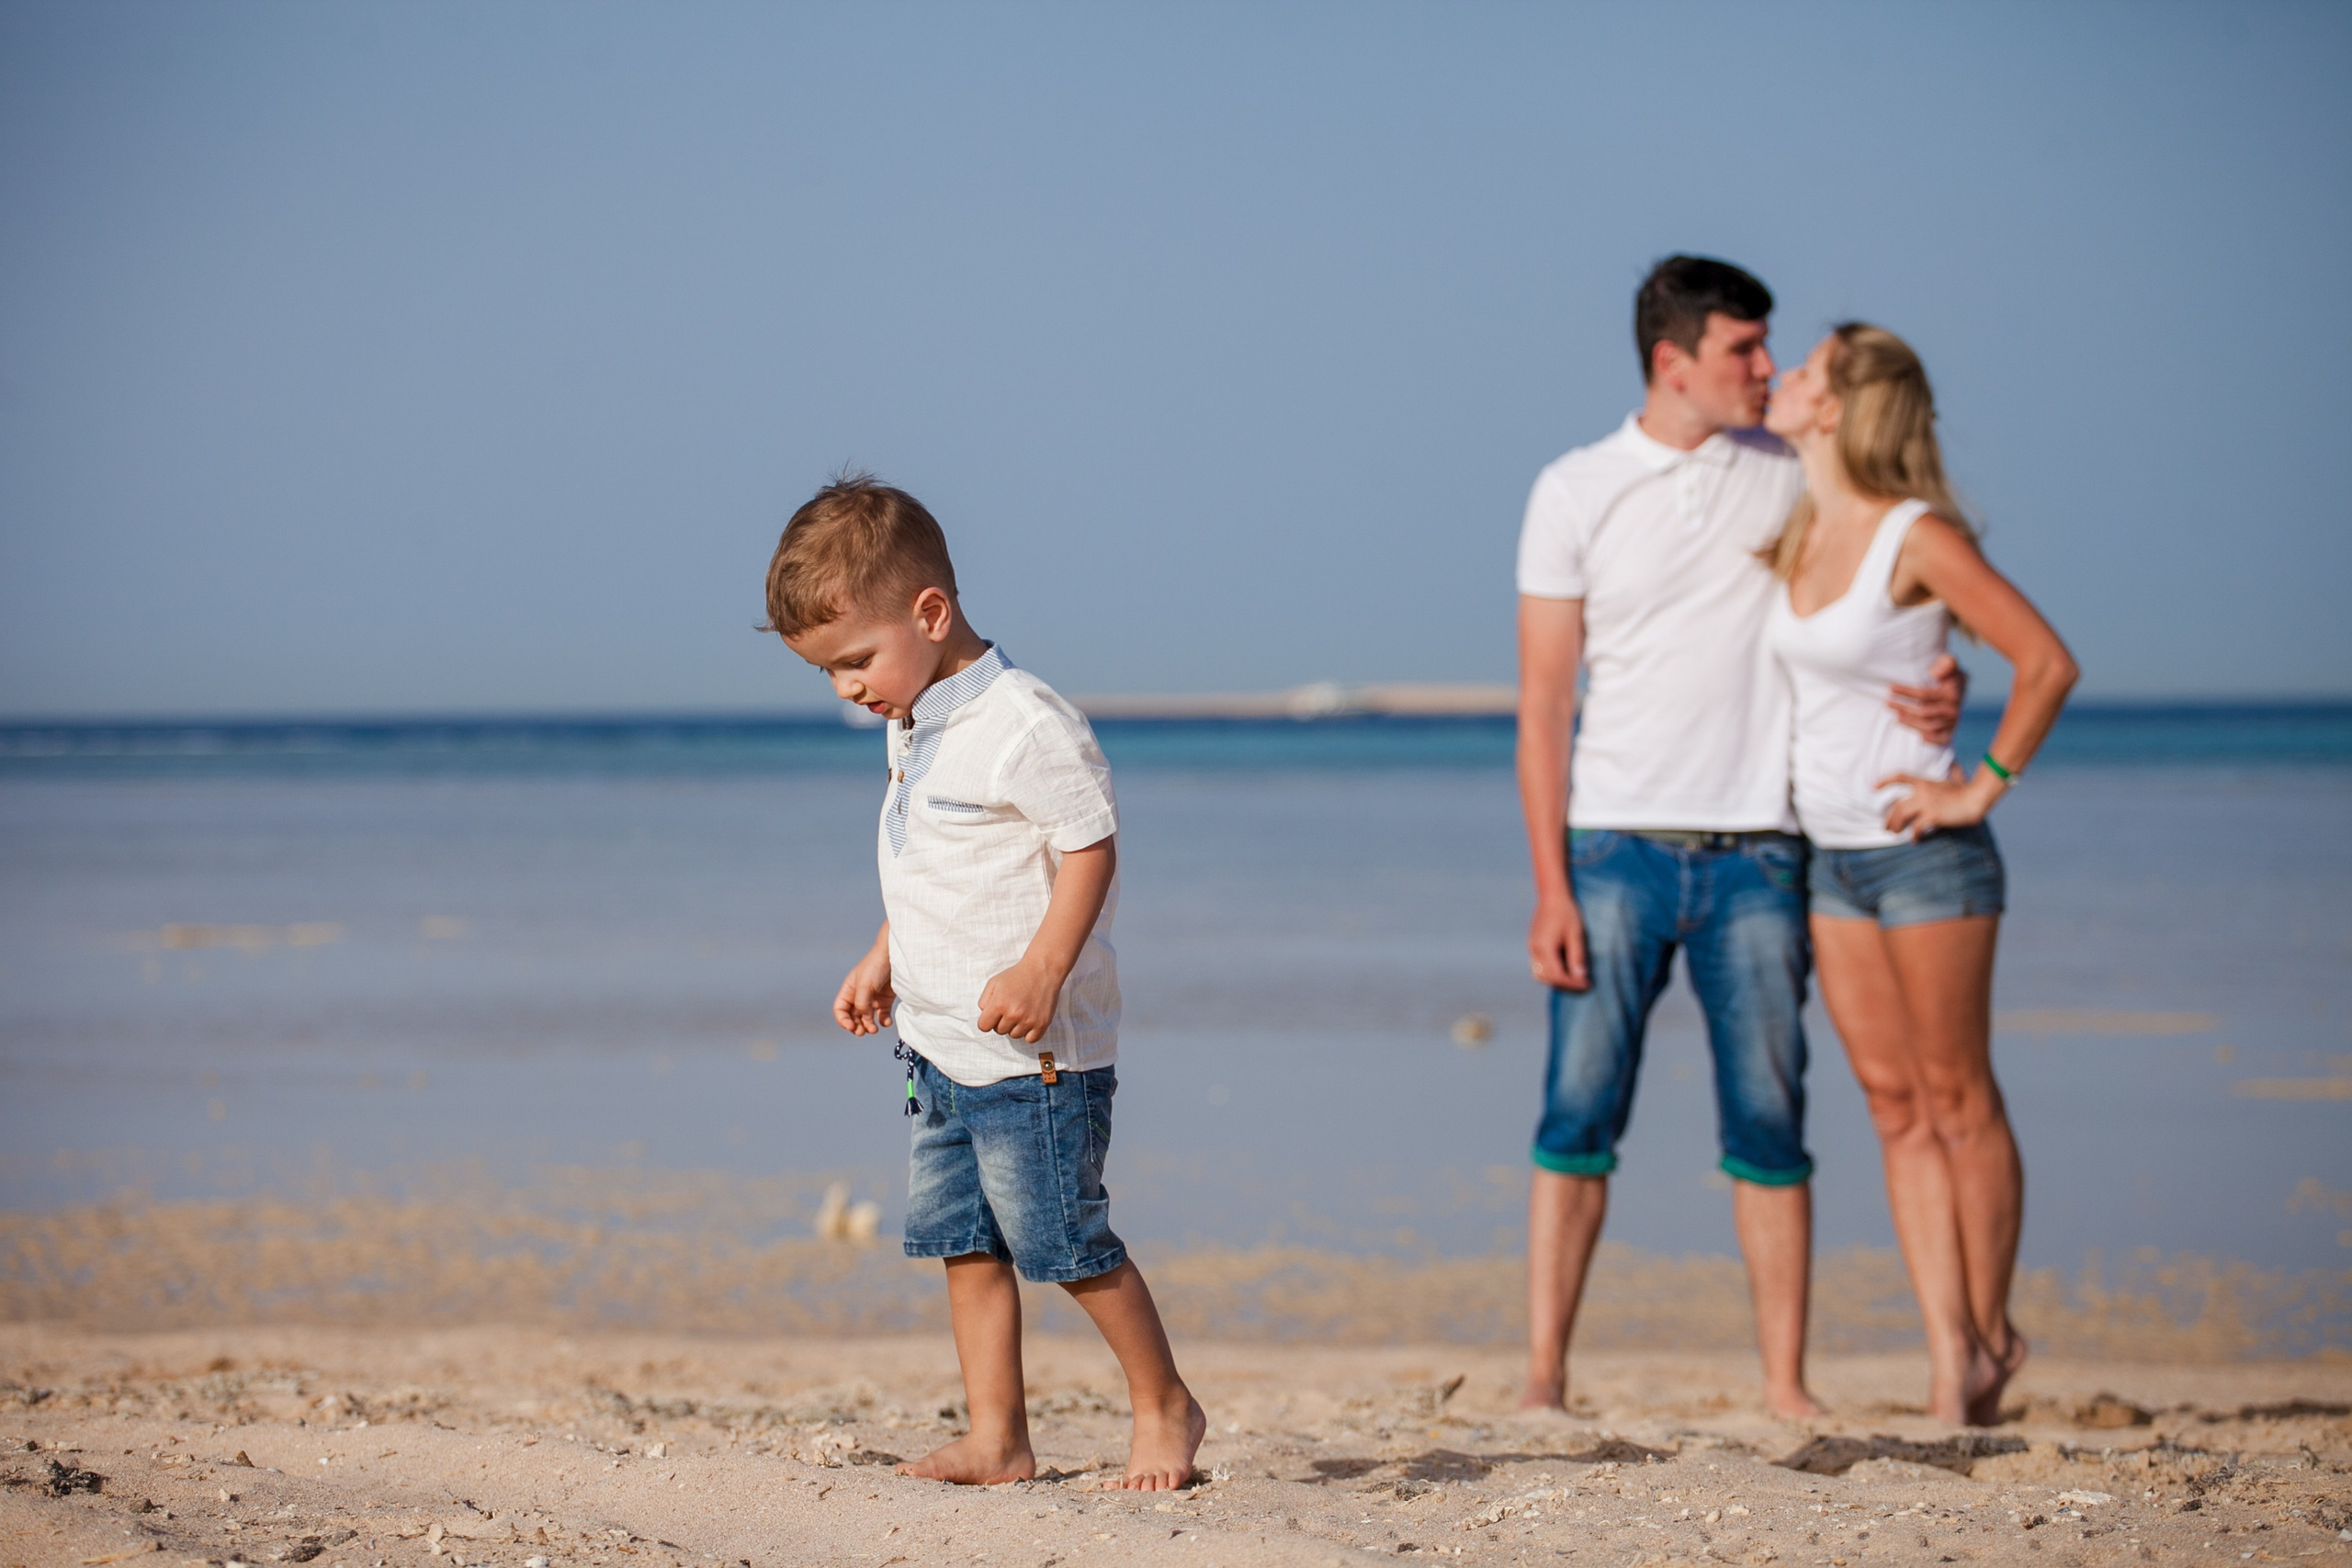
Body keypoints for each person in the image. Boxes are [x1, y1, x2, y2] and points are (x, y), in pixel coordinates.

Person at [1513, 256, 1965, 1419]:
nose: (1767, 371)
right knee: (1576, 1116)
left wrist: (1938, 676)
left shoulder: (1791, 474)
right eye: (1742, 352)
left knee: (1770, 1119)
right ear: (1673, 363)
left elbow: (1886, 584)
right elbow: (1543, 705)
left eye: (1770, 352)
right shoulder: (1573, 487)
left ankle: (1784, 1385)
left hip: (1765, 855)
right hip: (1611, 848)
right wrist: (1549, 886)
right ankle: (1543, 1381)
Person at [764, 474, 1205, 1489]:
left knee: (1065, 1239)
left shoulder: (1025, 722)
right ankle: (998, 1439)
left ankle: (1165, 1404)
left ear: (931, 612)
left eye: (855, 660)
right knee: (965, 1244)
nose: (848, 687)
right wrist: (884, 953)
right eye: (827, 672)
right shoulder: (912, 717)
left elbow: (1088, 843)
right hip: (937, 1047)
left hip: (1034, 1053)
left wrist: (1045, 964)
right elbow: (932, 864)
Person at [1761, 323, 2076, 1427]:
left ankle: (1990, 1336)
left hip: (1927, 859)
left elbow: (2044, 662)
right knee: (1894, 1108)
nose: (1784, 378)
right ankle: (1953, 1359)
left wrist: (1978, 784)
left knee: (1957, 1099)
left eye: (1805, 369)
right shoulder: (1794, 524)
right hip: (1829, 861)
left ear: (1842, 405)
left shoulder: (1916, 535)